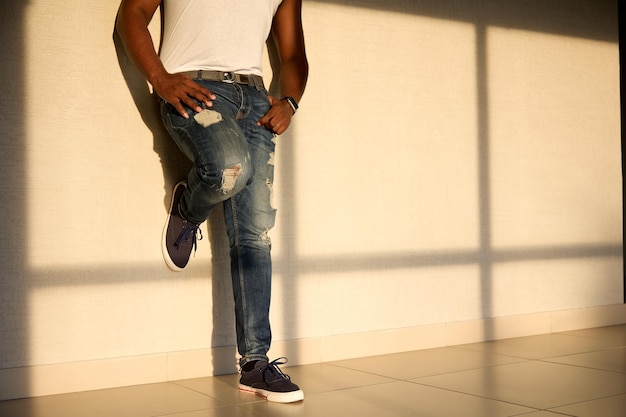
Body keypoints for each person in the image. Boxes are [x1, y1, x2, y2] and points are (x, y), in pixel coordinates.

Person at [116, 0, 308, 403]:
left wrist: (289, 101)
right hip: (196, 89)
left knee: (256, 234)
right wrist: (161, 79)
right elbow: (131, 14)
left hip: (256, 101)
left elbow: (293, 55)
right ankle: (188, 209)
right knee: (227, 169)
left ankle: (255, 364)